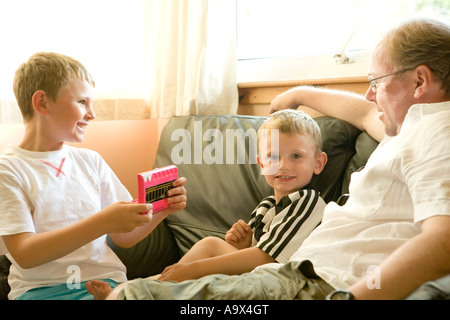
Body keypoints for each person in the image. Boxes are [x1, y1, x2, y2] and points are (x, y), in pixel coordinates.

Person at [108, 17, 450, 300]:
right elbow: (363, 113)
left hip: (315, 284)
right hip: (293, 276)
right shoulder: (409, 127)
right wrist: (299, 94)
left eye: (376, 80)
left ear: (420, 80)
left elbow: (443, 241)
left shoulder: (438, 131)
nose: (369, 92)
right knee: (129, 292)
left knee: (130, 297)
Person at [0, 52, 187, 300]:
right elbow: (25, 253)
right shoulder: (9, 170)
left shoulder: (90, 161)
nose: (92, 114)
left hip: (108, 282)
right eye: (81, 102)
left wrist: (162, 208)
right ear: (42, 103)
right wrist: (102, 222)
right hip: (42, 292)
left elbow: (123, 237)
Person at [87, 109, 328, 299]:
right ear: (261, 163)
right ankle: (137, 289)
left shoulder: (306, 201)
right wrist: (243, 244)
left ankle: (138, 291)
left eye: (296, 156)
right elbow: (254, 253)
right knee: (206, 253)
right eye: (273, 156)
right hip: (257, 275)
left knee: (209, 248)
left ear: (318, 163)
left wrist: (193, 269)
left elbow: (267, 258)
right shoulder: (266, 205)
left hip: (283, 279)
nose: (283, 165)